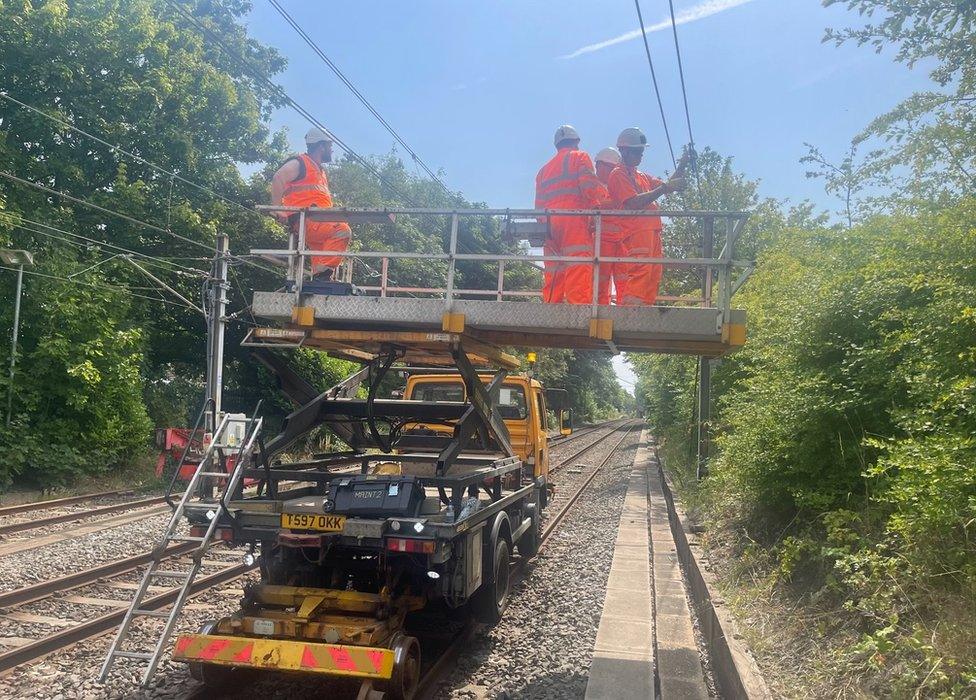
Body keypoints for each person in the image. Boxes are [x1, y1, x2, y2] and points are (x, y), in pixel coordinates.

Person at [606, 127, 688, 306]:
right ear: (624, 150)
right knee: (641, 271)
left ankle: (644, 311)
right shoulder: (617, 174)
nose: (640, 156)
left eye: (642, 152)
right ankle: (630, 314)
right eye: (637, 151)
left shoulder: (640, 175)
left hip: (652, 231)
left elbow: (666, 185)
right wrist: (665, 188)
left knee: (653, 273)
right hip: (636, 232)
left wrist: (682, 166)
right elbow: (632, 202)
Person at [534, 125, 609, 304]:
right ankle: (579, 308)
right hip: (574, 220)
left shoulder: (543, 170)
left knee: (554, 269)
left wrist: (545, 225)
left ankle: (551, 307)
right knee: (578, 264)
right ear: (576, 142)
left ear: (557, 145)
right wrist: (595, 212)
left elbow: (538, 206)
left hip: (549, 223)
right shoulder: (580, 157)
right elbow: (589, 188)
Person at [271, 127, 351, 283]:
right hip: (306, 220)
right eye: (330, 146)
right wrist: (277, 209)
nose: (331, 150)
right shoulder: (300, 163)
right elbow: (278, 178)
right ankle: (321, 276)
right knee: (342, 230)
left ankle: (320, 279)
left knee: (323, 256)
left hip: (318, 221)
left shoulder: (319, 171)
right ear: (321, 146)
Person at [593, 147, 628, 305]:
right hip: (602, 241)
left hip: (622, 241)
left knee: (625, 280)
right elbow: (596, 206)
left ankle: (625, 313)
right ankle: (600, 311)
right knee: (600, 282)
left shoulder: (618, 183)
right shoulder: (593, 186)